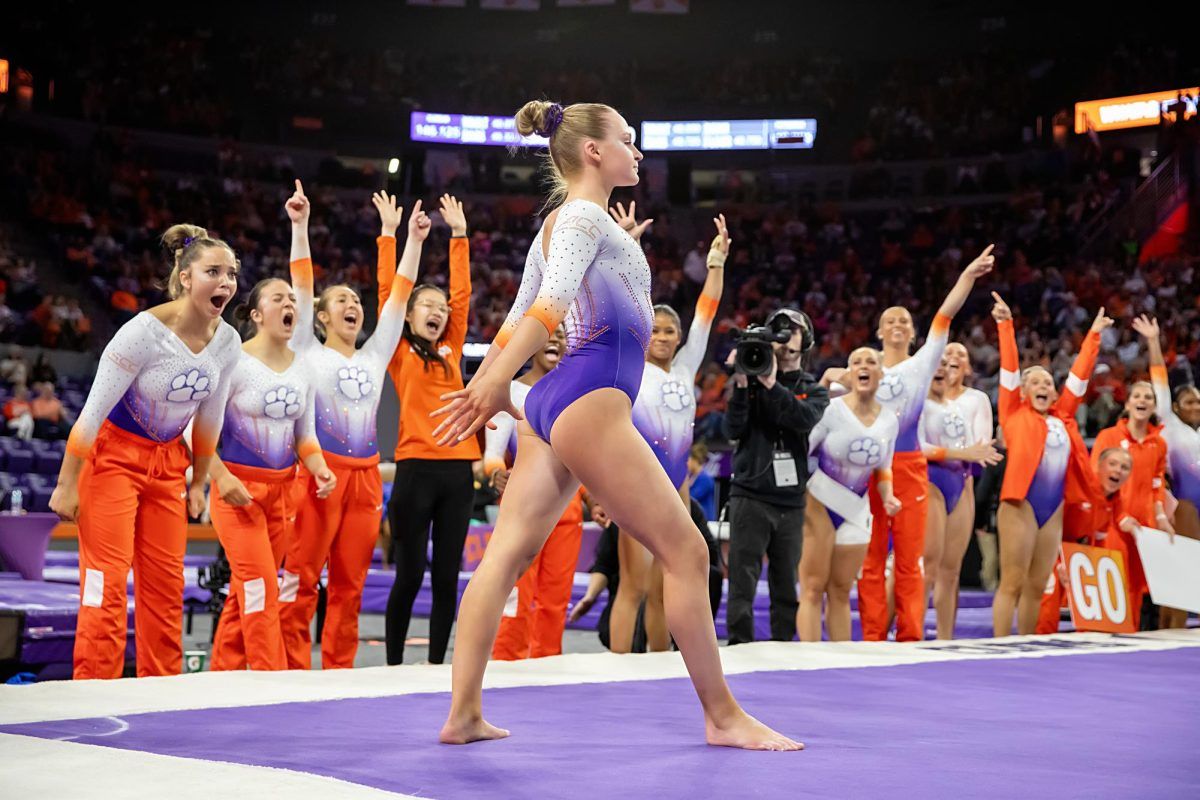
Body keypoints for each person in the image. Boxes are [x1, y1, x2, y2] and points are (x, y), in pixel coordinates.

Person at [432, 100, 800, 750]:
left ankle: (463, 713)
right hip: (592, 392)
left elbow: (519, 314)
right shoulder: (578, 216)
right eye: (627, 139)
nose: (637, 150)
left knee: (506, 556)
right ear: (594, 152)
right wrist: (490, 381)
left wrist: (501, 375)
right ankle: (722, 717)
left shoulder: (566, 224)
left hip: (556, 400)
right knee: (686, 552)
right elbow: (543, 310)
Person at [49, 223, 241, 679]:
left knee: (165, 586)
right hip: (113, 459)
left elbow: (209, 420)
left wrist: (199, 483)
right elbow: (92, 415)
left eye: (232, 273)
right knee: (107, 582)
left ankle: (161, 692)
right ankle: (93, 688)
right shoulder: (142, 333)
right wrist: (66, 484)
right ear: (186, 278)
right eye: (214, 271)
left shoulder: (228, 342)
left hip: (168, 464)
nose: (226, 283)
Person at [279, 182, 429, 670]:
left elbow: (400, 300)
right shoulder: (307, 349)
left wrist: (410, 240)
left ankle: (339, 670)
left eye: (357, 301)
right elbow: (301, 285)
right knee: (302, 576)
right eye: (341, 300)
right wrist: (300, 226)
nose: (354, 305)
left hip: (365, 481)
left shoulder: (374, 356)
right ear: (320, 317)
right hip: (319, 478)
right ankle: (292, 667)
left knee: (351, 582)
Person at [859, 245, 995, 642]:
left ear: (914, 333)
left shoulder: (921, 365)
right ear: (880, 332)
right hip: (869, 468)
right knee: (871, 558)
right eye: (890, 320)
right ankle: (869, 637)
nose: (898, 324)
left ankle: (910, 636)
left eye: (904, 320)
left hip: (909, 466)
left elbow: (946, 314)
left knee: (910, 559)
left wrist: (967, 276)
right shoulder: (863, 368)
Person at [207, 277, 337, 671]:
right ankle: (271, 678)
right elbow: (198, 432)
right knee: (261, 585)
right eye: (278, 298)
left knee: (245, 590)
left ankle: (220, 677)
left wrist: (320, 468)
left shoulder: (304, 369)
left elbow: (305, 435)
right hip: (237, 491)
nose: (290, 305)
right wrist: (221, 478)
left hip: (284, 494)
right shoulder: (233, 363)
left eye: (293, 300)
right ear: (257, 314)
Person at [614, 211, 728, 652]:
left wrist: (716, 260)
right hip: (635, 482)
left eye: (669, 331)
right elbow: (625, 298)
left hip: (676, 485)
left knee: (667, 584)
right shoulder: (630, 366)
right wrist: (626, 245)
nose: (662, 336)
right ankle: (618, 667)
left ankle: (658, 664)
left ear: (679, 338)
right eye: (655, 330)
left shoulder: (685, 369)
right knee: (634, 585)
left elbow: (707, 311)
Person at [382, 194, 480, 666]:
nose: (438, 311)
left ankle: (439, 665)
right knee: (408, 574)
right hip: (415, 469)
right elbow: (389, 293)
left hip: (458, 474)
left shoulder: (451, 348)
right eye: (427, 305)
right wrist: (390, 236)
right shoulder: (397, 352)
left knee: (446, 578)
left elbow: (462, 297)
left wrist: (459, 237)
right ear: (409, 314)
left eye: (441, 306)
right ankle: (395, 664)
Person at [991, 292, 1109, 636]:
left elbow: (1079, 376)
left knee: (1037, 584)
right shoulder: (1013, 411)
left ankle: (1026, 645)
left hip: (1054, 507)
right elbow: (1009, 369)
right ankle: (999, 647)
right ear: (1024, 392)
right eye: (1035, 382)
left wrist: (1094, 334)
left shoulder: (1063, 416)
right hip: (1020, 504)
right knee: (1012, 581)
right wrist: (1005, 324)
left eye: (1048, 382)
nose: (1043, 385)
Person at [723, 307, 830, 645]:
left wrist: (769, 385)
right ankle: (739, 647)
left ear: (806, 339)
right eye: (778, 331)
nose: (784, 338)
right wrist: (742, 386)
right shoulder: (750, 380)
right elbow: (732, 429)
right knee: (742, 582)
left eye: (792, 330)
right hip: (749, 494)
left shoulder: (814, 389)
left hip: (789, 501)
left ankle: (784, 650)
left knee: (786, 584)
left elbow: (800, 418)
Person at [485, 327, 587, 660]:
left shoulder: (578, 394)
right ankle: (506, 663)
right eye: (549, 333)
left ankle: (547, 667)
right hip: (522, 508)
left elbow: (585, 457)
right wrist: (495, 473)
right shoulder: (509, 391)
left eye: (563, 334)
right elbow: (493, 454)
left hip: (567, 512)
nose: (556, 340)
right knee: (517, 592)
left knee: (555, 599)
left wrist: (594, 498)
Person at [798, 347, 901, 642]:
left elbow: (884, 467)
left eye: (871, 362)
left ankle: (839, 663)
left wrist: (889, 495)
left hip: (857, 510)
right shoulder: (831, 410)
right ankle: (808, 660)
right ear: (850, 372)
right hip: (819, 503)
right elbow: (803, 448)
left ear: (881, 374)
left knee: (841, 590)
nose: (864, 366)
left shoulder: (889, 421)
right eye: (856, 362)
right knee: (813, 587)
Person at [918, 345, 1001, 638]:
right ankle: (911, 633)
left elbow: (983, 444)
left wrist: (969, 452)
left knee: (950, 571)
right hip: (930, 479)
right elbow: (919, 447)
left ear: (967, 368)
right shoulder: (921, 400)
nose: (952, 358)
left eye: (960, 355)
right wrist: (962, 451)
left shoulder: (974, 400)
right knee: (927, 567)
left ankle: (944, 638)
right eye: (944, 357)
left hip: (962, 481)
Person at [1133, 314, 1199, 629]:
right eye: (1190, 402)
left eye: (1199, 401)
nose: (1197, 406)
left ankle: (1181, 627)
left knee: (1193, 573)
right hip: (1184, 507)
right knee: (1184, 570)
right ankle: (1169, 628)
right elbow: (1159, 382)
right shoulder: (1171, 427)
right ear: (1176, 408)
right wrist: (1153, 341)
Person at [1090, 377, 1170, 627]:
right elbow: (1096, 479)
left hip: (1144, 527)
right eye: (1137, 396)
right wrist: (1119, 516)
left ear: (1154, 407)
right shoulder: (1108, 436)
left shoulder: (1159, 443)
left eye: (1148, 397)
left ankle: (1131, 641)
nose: (1142, 401)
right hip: (1114, 523)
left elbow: (1158, 484)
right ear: (1127, 404)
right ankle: (1107, 636)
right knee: (1114, 583)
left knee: (1137, 587)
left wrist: (1160, 517)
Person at [1036, 447, 1136, 633]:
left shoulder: (1114, 501)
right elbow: (1050, 525)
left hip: (1077, 559)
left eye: (1124, 467)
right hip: (1051, 554)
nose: (1117, 471)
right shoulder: (1079, 488)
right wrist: (1058, 560)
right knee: (1046, 617)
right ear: (1099, 465)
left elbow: (1099, 543)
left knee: (1091, 618)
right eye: (1112, 464)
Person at [688, 441, 717, 521]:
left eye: (688, 460)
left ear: (695, 460)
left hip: (706, 520)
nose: (687, 463)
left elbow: (692, 497)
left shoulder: (705, 478)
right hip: (696, 519)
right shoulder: (692, 477)